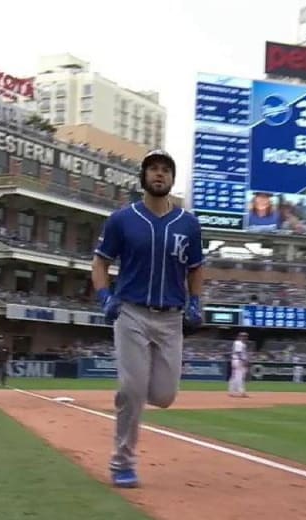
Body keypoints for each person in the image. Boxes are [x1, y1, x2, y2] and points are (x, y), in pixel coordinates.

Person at [92, 149, 205, 489]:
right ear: (143, 177)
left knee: (164, 395)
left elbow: (196, 267)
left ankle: (131, 393)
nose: (159, 175)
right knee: (132, 388)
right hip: (132, 312)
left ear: (172, 180)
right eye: (153, 169)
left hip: (171, 318)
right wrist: (104, 296)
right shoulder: (122, 219)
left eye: (165, 170)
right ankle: (122, 462)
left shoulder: (188, 223)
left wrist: (196, 300)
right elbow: (100, 263)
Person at [228, 331, 249, 397]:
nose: (245, 337)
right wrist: (243, 360)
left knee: (234, 376)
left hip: (237, 360)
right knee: (239, 376)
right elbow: (238, 353)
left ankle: (231, 391)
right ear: (239, 336)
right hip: (238, 361)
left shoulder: (242, 344)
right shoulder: (238, 343)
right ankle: (241, 392)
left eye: (246, 336)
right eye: (243, 336)